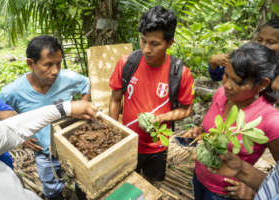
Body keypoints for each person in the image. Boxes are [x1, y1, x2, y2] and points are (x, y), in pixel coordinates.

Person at [0, 53, 97, 200]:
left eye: (58, 64)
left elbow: (10, 130)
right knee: (52, 187)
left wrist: (67, 108)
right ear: (31, 64)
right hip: (43, 152)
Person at [109, 5, 195, 182]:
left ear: (170, 42)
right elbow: (115, 99)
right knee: (123, 185)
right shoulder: (127, 63)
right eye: (143, 41)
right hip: (127, 143)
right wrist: (114, 131)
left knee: (152, 185)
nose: (147, 49)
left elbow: (186, 110)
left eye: (155, 44)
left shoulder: (180, 73)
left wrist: (160, 118)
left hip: (157, 147)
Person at [185, 43, 279, 200]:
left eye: (238, 81)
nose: (227, 85)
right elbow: (212, 123)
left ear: (262, 84)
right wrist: (201, 130)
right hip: (200, 178)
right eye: (226, 75)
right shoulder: (222, 94)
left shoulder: (271, 121)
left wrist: (256, 191)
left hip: (225, 193)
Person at [209, 18, 279, 81]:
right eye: (259, 40)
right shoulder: (250, 58)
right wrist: (213, 63)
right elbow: (218, 76)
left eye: (271, 42)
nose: (262, 45)